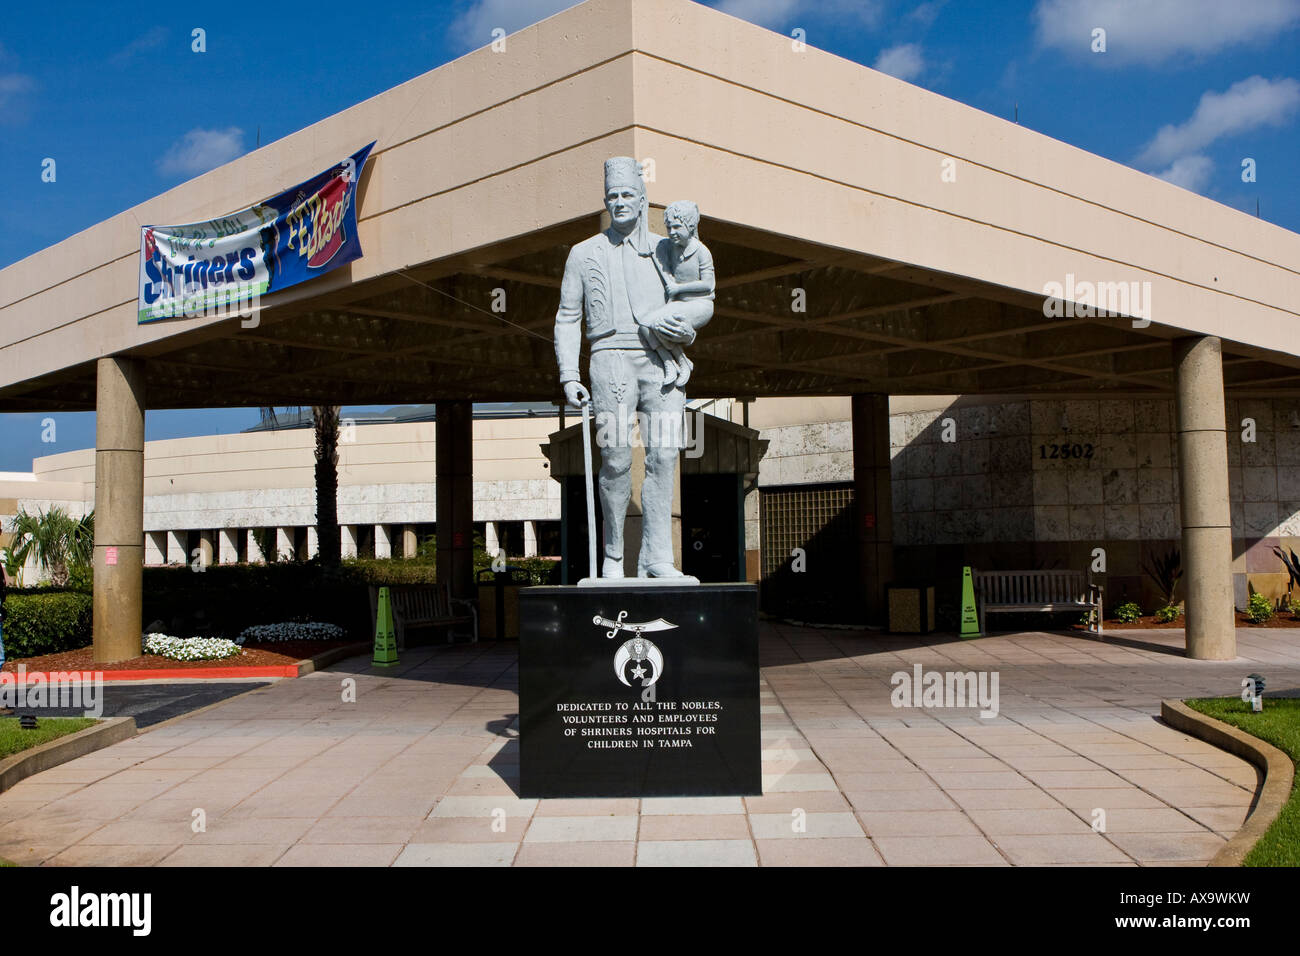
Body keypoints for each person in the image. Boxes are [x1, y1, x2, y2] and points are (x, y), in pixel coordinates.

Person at [553, 157, 710, 578]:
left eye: (627, 195)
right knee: (616, 459)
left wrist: (686, 323)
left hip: (661, 360)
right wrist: (570, 374)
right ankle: (614, 555)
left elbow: (701, 299)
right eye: (612, 196)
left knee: (664, 455)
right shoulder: (583, 253)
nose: (620, 202)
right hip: (609, 361)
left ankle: (659, 558)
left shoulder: (669, 247)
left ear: (643, 200)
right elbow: (568, 317)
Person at [638, 200, 715, 386]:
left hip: (700, 304)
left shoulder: (701, 252)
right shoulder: (670, 247)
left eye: (677, 227)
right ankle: (671, 361)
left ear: (690, 226)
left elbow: (708, 284)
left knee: (663, 324)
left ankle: (681, 361)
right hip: (678, 303)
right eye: (668, 227)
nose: (671, 232)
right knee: (645, 325)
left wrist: (679, 288)